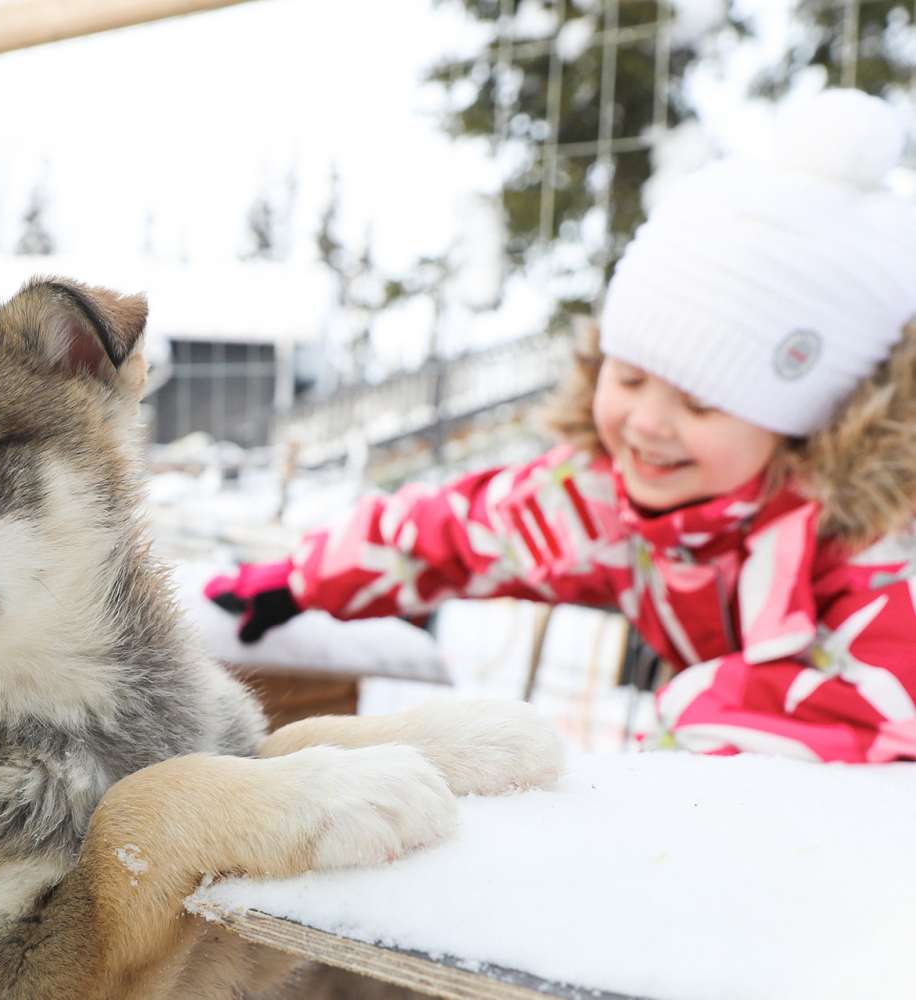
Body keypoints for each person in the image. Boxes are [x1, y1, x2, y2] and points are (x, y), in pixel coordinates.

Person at [205, 88, 916, 763]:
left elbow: (890, 709)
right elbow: (457, 534)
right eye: (628, 377)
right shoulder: (601, 501)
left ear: (807, 419)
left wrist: (702, 725)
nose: (647, 423)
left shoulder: (873, 548)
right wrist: (298, 581)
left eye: (701, 404)